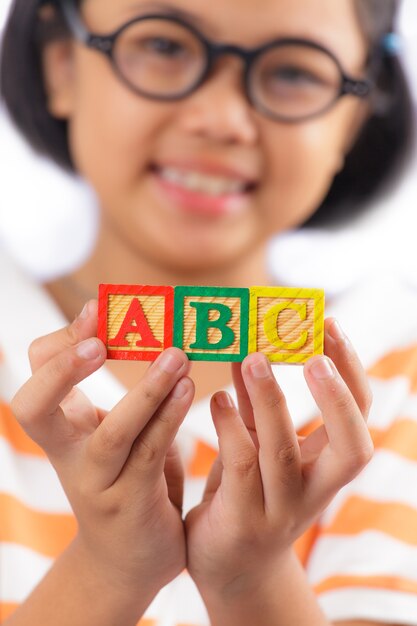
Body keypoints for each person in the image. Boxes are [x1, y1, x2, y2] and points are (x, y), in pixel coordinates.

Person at [0, 0, 416, 624]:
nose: (220, 120)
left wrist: (254, 579)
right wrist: (108, 569)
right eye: (164, 46)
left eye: (294, 72)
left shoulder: (401, 382)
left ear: (352, 120)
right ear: (61, 65)